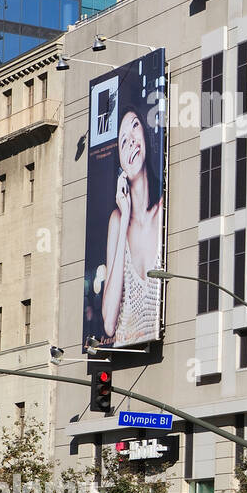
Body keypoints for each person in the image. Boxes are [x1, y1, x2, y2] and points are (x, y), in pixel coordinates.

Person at [100, 108, 163, 345]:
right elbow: (108, 324)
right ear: (121, 166)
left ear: (146, 135)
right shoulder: (117, 220)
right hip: (123, 353)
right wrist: (125, 214)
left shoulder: (163, 210)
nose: (132, 142)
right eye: (123, 140)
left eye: (135, 126)